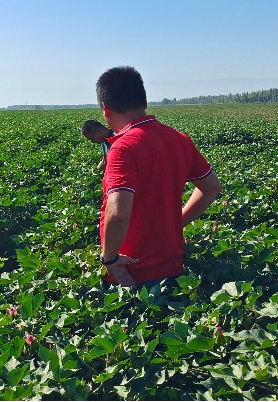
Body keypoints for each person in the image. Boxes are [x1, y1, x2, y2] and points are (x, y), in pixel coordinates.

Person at [95, 66, 222, 289]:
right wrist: (177, 222)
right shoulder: (179, 139)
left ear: (105, 109)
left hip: (132, 272)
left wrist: (111, 260)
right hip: (173, 267)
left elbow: (118, 213)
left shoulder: (123, 148)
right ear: (143, 101)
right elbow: (211, 188)